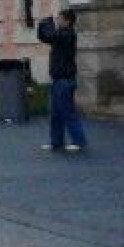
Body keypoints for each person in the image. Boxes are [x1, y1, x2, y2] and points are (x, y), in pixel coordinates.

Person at [39, 9, 89, 154]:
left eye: (60, 19)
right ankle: (56, 141)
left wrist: (46, 23)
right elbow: (46, 37)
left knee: (67, 111)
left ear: (67, 21)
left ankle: (79, 141)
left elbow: (49, 36)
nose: (58, 21)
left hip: (65, 80)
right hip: (57, 79)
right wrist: (45, 25)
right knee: (55, 113)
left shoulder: (67, 34)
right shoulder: (61, 34)